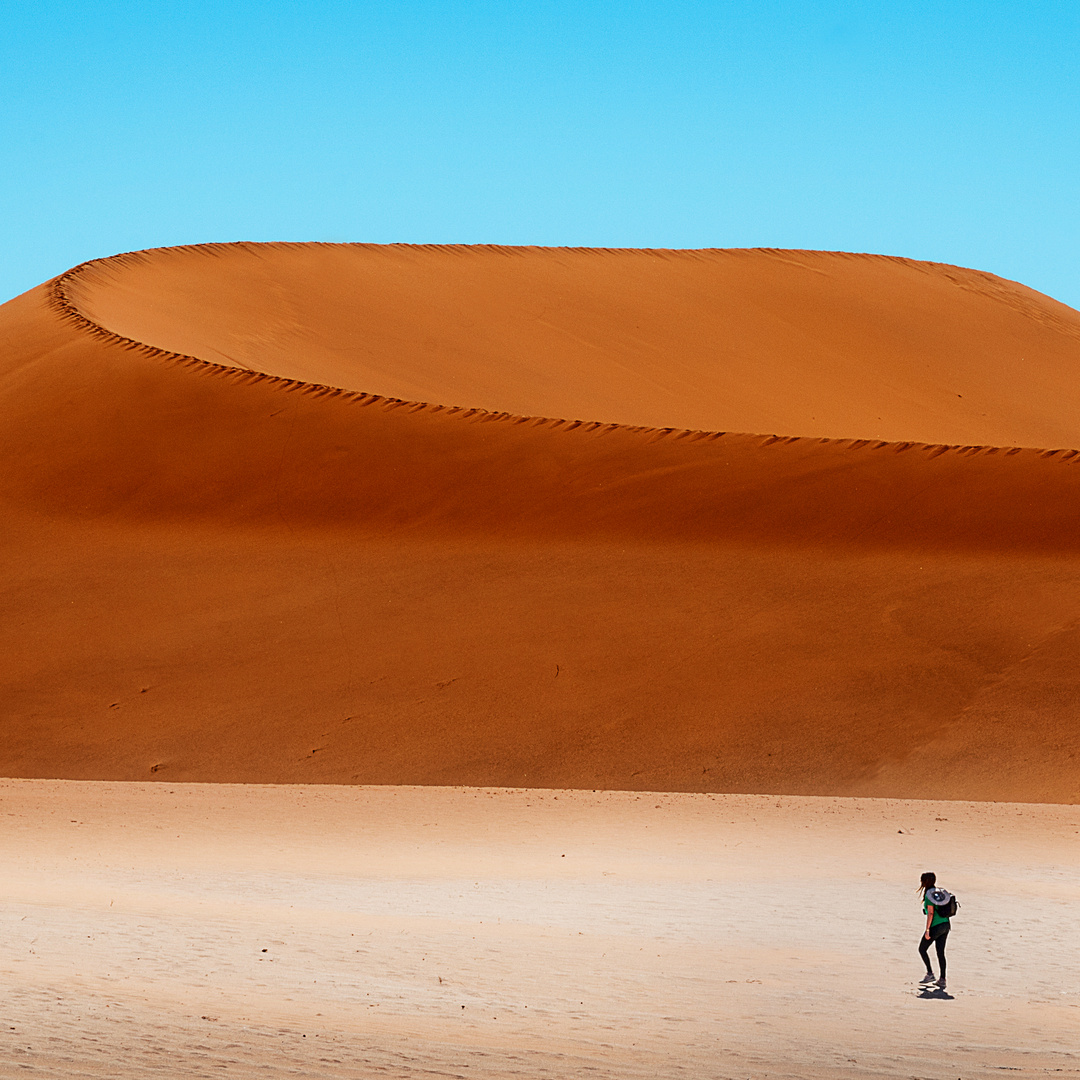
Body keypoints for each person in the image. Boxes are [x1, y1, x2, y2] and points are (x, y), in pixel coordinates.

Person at [918, 871, 950, 988]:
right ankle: (942, 979)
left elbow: (930, 913)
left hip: (935, 926)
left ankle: (930, 973)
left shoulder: (929, 895)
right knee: (940, 952)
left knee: (922, 949)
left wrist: (927, 930)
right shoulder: (939, 892)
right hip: (946, 925)